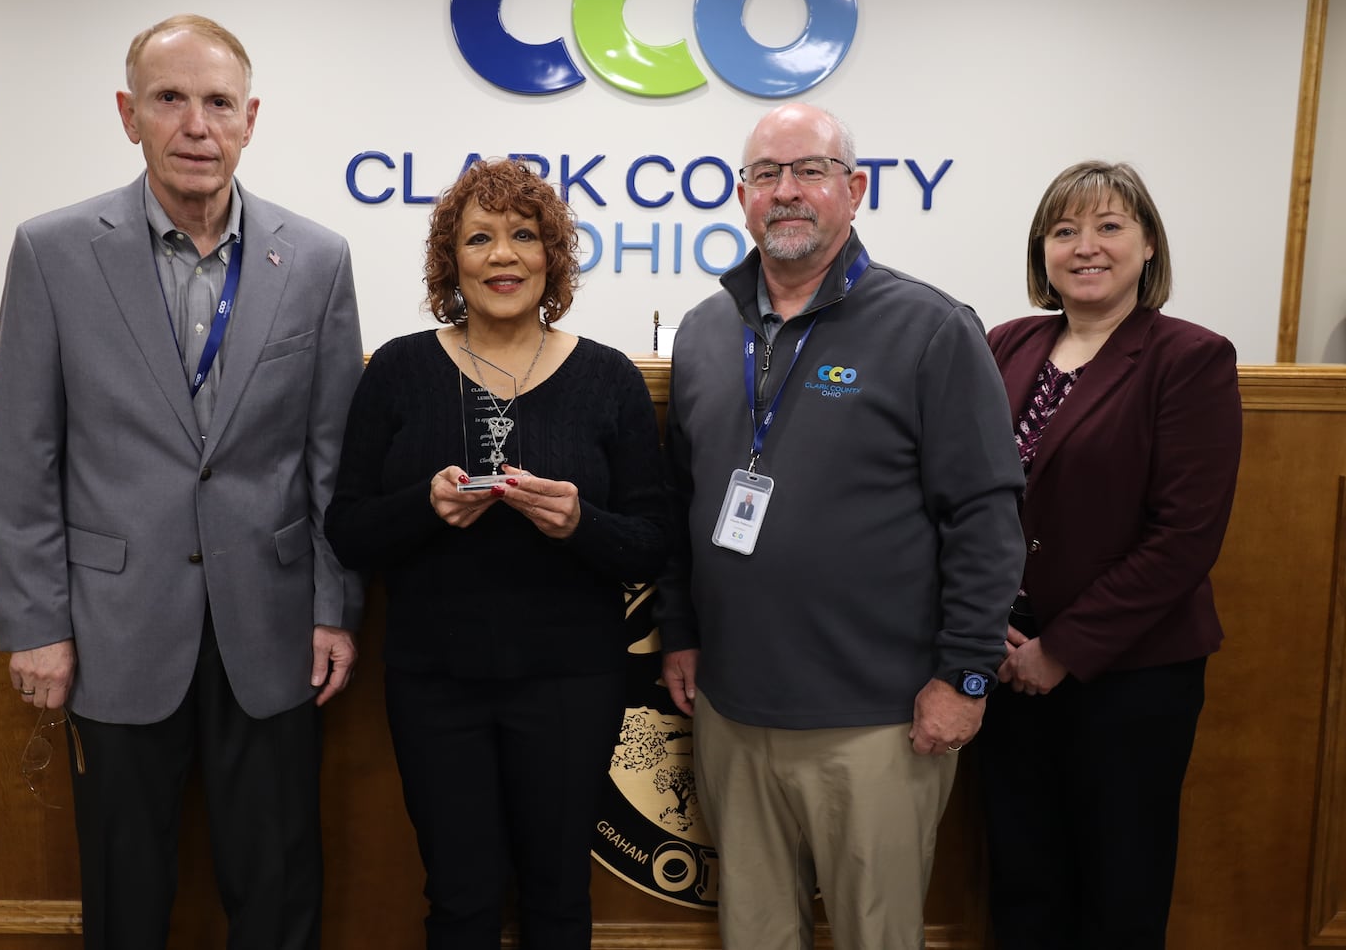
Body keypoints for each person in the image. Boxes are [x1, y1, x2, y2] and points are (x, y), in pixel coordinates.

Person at [0, 14, 364, 950]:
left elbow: (332, 460)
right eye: (170, 99)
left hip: (272, 633)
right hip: (113, 629)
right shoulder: (53, 251)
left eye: (218, 102)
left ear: (250, 119)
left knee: (276, 892)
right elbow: (23, 457)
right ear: (129, 114)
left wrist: (333, 605)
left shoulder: (316, 260)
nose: (197, 125)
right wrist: (37, 624)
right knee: (126, 894)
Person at [655, 102, 1025, 949]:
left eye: (809, 171)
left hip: (881, 721)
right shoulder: (708, 332)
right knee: (754, 935)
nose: (786, 192)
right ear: (741, 194)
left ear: (853, 190)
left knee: (875, 936)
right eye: (766, 175)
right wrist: (679, 629)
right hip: (733, 713)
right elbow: (682, 499)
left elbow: (985, 514)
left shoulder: (931, 328)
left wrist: (965, 678)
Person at [324, 158, 668, 949]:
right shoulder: (400, 371)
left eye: (524, 235)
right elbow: (347, 527)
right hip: (436, 685)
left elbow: (651, 540)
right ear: (452, 261)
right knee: (461, 900)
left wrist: (581, 521)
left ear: (553, 257)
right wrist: (427, 507)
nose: (503, 255)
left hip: (570, 686)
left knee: (556, 899)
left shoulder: (607, 378)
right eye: (480, 238)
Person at [978, 161, 1242, 949]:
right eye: (1064, 231)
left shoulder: (1189, 358)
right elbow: (959, 499)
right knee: (1022, 882)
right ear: (1042, 252)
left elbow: (1184, 536)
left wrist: (1062, 648)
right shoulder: (1004, 344)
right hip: (1001, 661)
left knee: (1118, 892)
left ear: (1149, 244)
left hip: (1129, 676)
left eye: (1109, 226)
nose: (1085, 246)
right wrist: (982, 627)